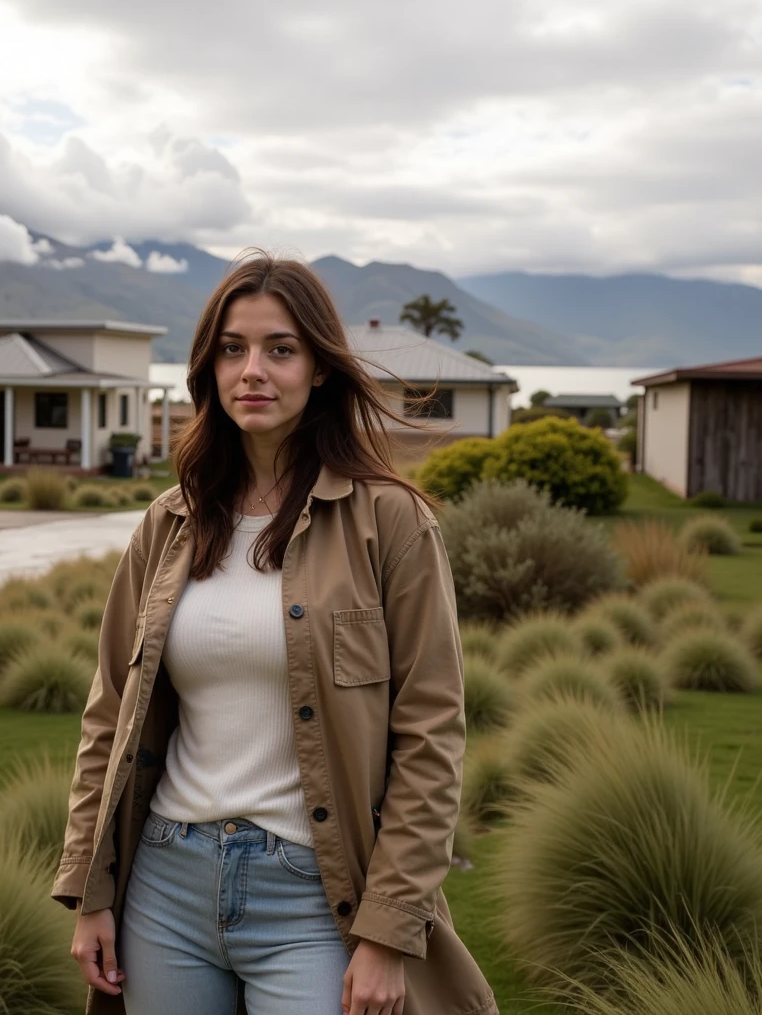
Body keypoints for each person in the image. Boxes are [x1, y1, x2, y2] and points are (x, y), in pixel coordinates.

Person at [52, 250, 496, 1015]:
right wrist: (93, 890)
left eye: (280, 349)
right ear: (209, 368)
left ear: (319, 367)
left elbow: (431, 734)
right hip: (166, 884)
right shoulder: (168, 523)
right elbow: (110, 717)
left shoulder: (391, 523)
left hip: (318, 899)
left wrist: (389, 932)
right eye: (233, 348)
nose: (252, 369)